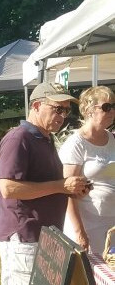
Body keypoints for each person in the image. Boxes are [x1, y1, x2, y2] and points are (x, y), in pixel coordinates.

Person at [0, 82, 89, 285]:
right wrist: (62, 186)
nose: (62, 116)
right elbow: (9, 188)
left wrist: (71, 185)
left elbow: (45, 183)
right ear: (35, 106)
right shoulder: (19, 137)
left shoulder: (44, 138)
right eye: (56, 109)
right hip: (25, 233)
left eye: (65, 111)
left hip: (43, 233)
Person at [58, 86, 115, 256]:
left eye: (114, 106)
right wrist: (79, 232)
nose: (112, 111)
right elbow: (67, 191)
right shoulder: (76, 144)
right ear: (90, 110)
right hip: (88, 225)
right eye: (106, 107)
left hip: (111, 224)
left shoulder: (112, 138)